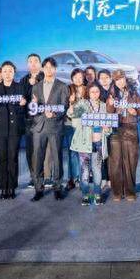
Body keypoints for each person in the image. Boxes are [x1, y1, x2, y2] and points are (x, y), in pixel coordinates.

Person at [0, 61, 28, 199]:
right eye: (5, 71)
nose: (7, 74)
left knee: (13, 157)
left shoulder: (20, 87)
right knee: (2, 158)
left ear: (14, 72)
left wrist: (23, 104)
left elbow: (26, 111)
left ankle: (12, 187)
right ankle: (4, 187)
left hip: (15, 128)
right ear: (1, 73)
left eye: (10, 71)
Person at [30, 57, 68, 201]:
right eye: (46, 67)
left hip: (55, 126)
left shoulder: (62, 86)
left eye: (51, 67)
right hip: (39, 126)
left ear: (55, 69)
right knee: (37, 158)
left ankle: (57, 188)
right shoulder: (36, 87)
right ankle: (38, 189)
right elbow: (33, 108)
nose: (48, 69)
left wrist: (55, 114)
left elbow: (64, 106)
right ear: (42, 69)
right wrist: (34, 105)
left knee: (57, 158)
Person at [68, 83, 110, 205]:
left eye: (97, 92)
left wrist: (107, 128)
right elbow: (71, 114)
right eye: (92, 92)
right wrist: (71, 104)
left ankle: (97, 194)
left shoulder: (103, 106)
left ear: (100, 93)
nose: (95, 94)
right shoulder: (83, 103)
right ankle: (85, 195)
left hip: (98, 142)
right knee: (84, 170)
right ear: (88, 93)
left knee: (97, 170)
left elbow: (108, 128)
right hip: (84, 143)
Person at [107, 70, 140, 201]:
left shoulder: (133, 92)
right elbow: (108, 112)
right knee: (115, 162)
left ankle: (130, 191)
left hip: (131, 127)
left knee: (131, 161)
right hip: (115, 129)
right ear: (114, 82)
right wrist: (111, 105)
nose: (120, 81)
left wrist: (135, 111)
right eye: (117, 80)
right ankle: (117, 192)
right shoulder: (111, 94)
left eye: (121, 78)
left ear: (125, 79)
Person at [21, 53, 44, 189]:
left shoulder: (45, 78)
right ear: (27, 64)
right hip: (29, 120)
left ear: (40, 64)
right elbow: (21, 98)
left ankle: (44, 176)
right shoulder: (23, 80)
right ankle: (33, 176)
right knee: (30, 150)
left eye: (36, 61)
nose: (33, 63)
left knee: (42, 149)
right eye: (30, 61)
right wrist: (29, 86)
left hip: (43, 118)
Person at [63, 68, 86, 190]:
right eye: (76, 77)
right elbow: (62, 106)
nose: (78, 79)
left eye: (80, 77)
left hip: (84, 126)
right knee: (72, 152)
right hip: (70, 124)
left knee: (83, 153)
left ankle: (83, 179)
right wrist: (70, 102)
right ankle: (72, 179)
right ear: (72, 78)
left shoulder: (87, 90)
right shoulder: (68, 89)